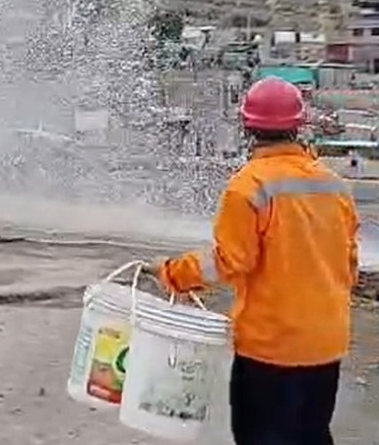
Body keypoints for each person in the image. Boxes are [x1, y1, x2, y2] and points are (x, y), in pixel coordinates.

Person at [148, 77, 359, 445]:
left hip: (269, 349)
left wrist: (172, 273)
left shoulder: (248, 186)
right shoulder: (334, 185)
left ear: (247, 127)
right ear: (298, 125)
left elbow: (229, 261)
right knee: (311, 435)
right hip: (326, 345)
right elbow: (350, 265)